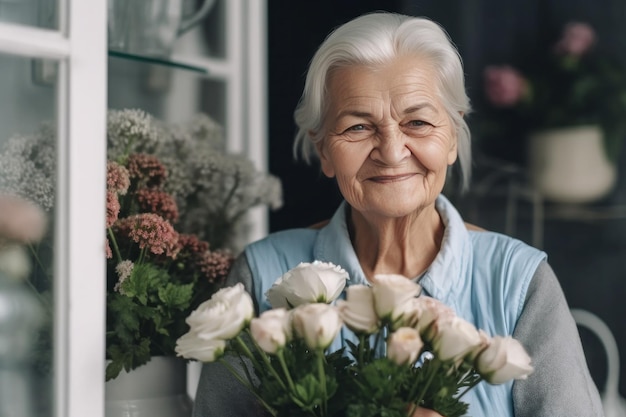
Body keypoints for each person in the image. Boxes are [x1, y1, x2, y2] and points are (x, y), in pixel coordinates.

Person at [192, 11, 603, 417]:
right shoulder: (262, 275)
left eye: (418, 122)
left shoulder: (519, 284)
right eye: (357, 127)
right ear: (323, 150)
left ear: (453, 138)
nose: (391, 152)